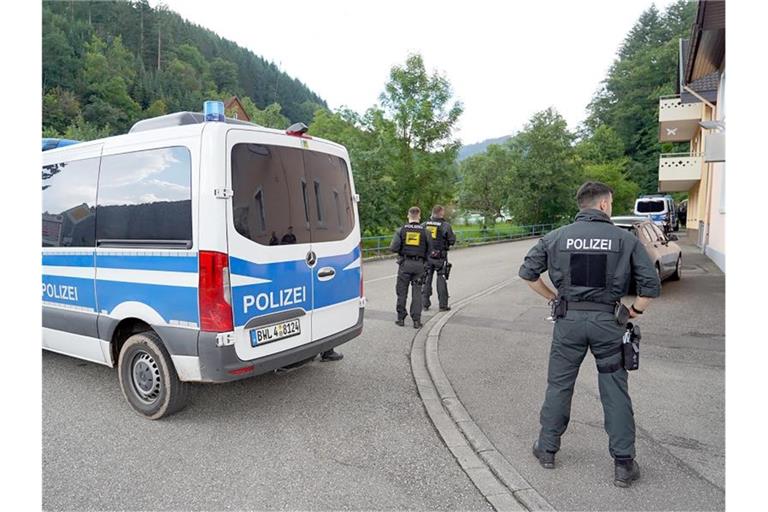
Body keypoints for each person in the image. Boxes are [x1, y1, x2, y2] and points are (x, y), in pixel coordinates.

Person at [518, 181, 661, 488]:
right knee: (614, 389)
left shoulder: (556, 237)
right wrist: (633, 312)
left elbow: (527, 273)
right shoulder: (624, 240)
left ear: (581, 204)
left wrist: (553, 298)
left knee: (559, 385)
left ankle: (547, 449)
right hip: (608, 323)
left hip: (568, 322)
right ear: (604, 205)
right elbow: (651, 288)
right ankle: (623, 464)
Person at [390, 206, 432, 329]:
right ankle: (416, 321)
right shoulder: (426, 232)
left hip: (405, 264)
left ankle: (401, 318)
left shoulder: (401, 230)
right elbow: (430, 250)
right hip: (419, 266)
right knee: (417, 293)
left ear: (408, 216)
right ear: (419, 216)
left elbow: (393, 248)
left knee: (402, 292)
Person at [422, 205, 456, 311]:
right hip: (440, 257)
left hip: (427, 256)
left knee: (427, 278)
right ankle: (443, 305)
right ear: (441, 213)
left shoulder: (424, 225)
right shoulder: (445, 225)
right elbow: (452, 241)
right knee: (441, 278)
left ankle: (424, 304)